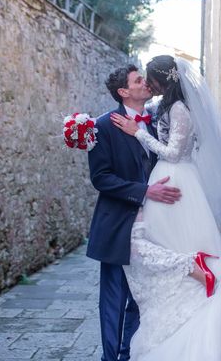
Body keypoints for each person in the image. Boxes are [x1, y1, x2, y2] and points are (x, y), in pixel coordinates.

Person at [110, 55, 221, 360]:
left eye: (150, 79)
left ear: (164, 80)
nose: (147, 85)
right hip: (164, 178)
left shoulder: (180, 110)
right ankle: (193, 269)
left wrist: (136, 133)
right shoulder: (164, 107)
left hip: (176, 179)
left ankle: (197, 270)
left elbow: (175, 153)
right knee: (153, 241)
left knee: (152, 241)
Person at [87, 65, 182, 361]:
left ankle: (130, 353)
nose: (146, 83)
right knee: (115, 298)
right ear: (124, 92)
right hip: (118, 224)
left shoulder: (155, 121)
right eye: (139, 80)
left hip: (156, 222)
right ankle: (110, 357)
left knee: (143, 297)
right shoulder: (102, 126)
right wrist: (144, 192)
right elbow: (101, 177)